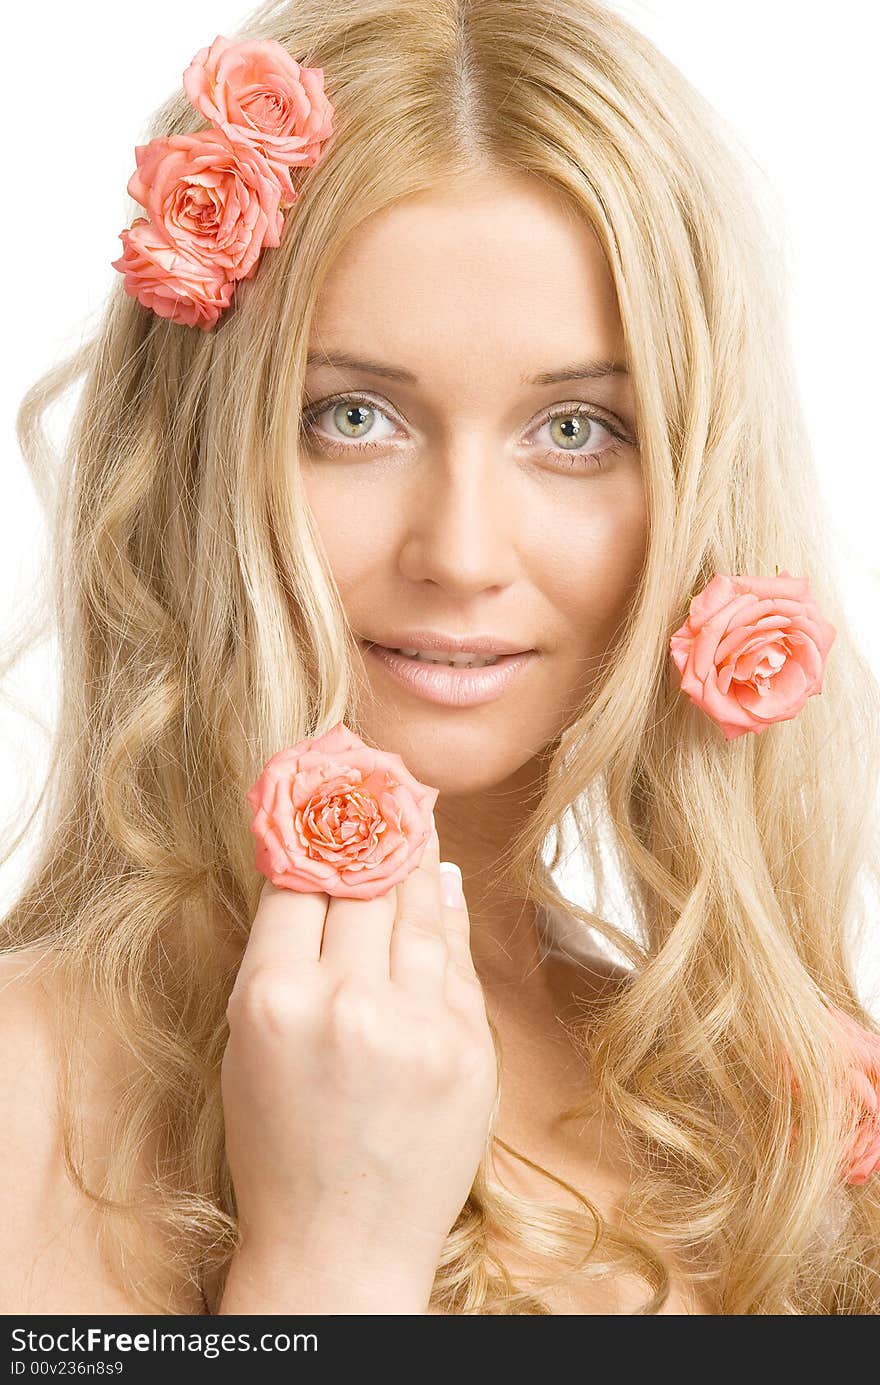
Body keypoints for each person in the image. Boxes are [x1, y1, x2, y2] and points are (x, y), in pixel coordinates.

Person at [1, 0, 878, 1316]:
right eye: (353, 417)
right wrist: (329, 1258)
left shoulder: (764, 1105)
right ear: (202, 458)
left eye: (576, 430)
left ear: (694, 491)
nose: (462, 552)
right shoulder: (30, 1091)